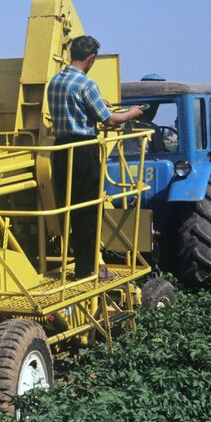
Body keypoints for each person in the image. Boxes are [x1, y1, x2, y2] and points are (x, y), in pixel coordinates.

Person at [46, 35, 144, 279]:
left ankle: (79, 262)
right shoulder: (86, 84)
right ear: (90, 59)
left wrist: (100, 103)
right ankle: (87, 270)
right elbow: (109, 119)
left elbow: (74, 107)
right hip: (83, 150)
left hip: (60, 150)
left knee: (71, 208)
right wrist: (132, 113)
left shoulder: (55, 80)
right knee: (88, 210)